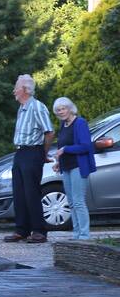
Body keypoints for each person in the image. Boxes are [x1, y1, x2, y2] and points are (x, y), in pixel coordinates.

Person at [4, 75, 53, 244]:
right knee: (19, 193)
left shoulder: (37, 107)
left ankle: (39, 231)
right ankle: (21, 230)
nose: (13, 91)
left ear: (24, 89)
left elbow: (49, 131)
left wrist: (43, 154)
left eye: (16, 87)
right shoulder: (22, 108)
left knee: (32, 193)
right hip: (20, 153)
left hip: (33, 152)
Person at [51, 97, 96, 240]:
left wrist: (66, 149)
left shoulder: (80, 123)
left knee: (78, 201)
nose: (61, 112)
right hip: (67, 167)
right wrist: (59, 161)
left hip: (78, 166)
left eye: (63, 108)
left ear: (70, 108)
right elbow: (61, 147)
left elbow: (86, 146)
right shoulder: (63, 125)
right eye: (58, 110)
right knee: (70, 202)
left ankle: (84, 235)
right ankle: (76, 234)